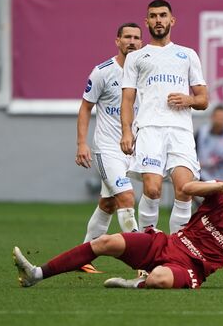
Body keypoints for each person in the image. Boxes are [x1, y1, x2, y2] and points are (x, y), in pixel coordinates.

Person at [13, 160, 223, 290]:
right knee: (105, 242)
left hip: (191, 267)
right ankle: (37, 274)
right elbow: (186, 188)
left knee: (159, 277)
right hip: (168, 244)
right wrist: (221, 185)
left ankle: (136, 283)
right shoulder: (221, 191)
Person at [120, 0, 208, 234]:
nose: (158, 20)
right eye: (153, 16)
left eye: (162, 15)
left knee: (185, 190)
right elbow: (127, 99)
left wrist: (188, 99)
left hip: (180, 131)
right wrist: (127, 131)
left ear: (172, 20)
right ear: (146, 21)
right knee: (152, 189)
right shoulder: (136, 57)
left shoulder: (187, 55)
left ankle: (176, 253)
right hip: (150, 129)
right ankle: (148, 251)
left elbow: (203, 99)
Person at [75, 23, 143, 273]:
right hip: (109, 149)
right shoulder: (102, 72)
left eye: (137, 37)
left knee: (108, 204)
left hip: (135, 151)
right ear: (117, 41)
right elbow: (85, 108)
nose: (132, 41)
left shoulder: (144, 72)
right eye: (127, 37)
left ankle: (82, 256)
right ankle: (141, 260)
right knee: (126, 197)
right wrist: (81, 143)